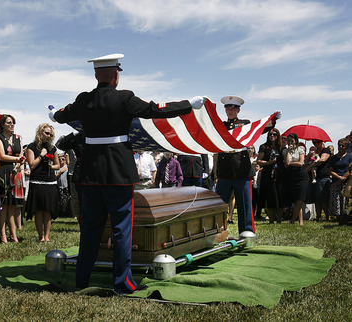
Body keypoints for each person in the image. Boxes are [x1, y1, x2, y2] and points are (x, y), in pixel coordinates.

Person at [51, 53, 205, 294]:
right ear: (115, 75)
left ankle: (81, 279)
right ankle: (122, 282)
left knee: (90, 228)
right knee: (122, 229)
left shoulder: (83, 100)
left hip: (90, 174)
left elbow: (62, 114)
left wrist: (53, 114)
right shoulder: (125, 99)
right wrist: (188, 104)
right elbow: (156, 110)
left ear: (95, 75)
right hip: (118, 173)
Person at [214, 95, 273, 233]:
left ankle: (246, 232)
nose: (230, 111)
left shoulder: (245, 124)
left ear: (238, 110)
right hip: (225, 170)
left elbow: (260, 128)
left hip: (242, 169)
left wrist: (273, 120)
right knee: (220, 205)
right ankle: (217, 232)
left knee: (245, 204)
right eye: (227, 108)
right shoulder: (220, 126)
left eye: (233, 108)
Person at [25, 123, 60, 242]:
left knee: (48, 210)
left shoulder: (53, 148)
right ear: (40, 133)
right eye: (46, 133)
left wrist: (52, 165)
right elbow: (32, 165)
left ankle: (47, 236)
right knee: (38, 210)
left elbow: (58, 165)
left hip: (50, 182)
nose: (49, 136)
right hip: (37, 181)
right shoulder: (31, 147)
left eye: (51, 134)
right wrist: (41, 155)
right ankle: (40, 237)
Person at [0, 114, 25, 243]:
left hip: (16, 172)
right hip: (3, 172)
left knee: (13, 205)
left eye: (13, 122)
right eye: (8, 123)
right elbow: (1, 156)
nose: (11, 125)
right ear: (2, 125)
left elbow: (22, 154)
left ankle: (13, 234)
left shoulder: (18, 138)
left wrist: (18, 164)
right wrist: (18, 159)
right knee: (4, 205)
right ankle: (3, 235)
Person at [256, 129, 286, 223]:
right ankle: (271, 219)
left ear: (278, 136)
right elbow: (258, 160)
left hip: (280, 174)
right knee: (270, 197)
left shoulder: (282, 147)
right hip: (268, 174)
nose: (272, 136)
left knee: (280, 197)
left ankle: (279, 219)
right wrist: (268, 162)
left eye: (274, 134)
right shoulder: (264, 147)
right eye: (270, 134)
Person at [285, 133, 308, 226]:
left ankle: (293, 219)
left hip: (301, 175)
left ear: (296, 141)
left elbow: (301, 163)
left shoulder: (300, 149)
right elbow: (287, 163)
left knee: (300, 200)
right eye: (289, 141)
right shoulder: (285, 151)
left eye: (292, 141)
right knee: (296, 200)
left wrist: (291, 163)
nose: (290, 142)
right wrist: (288, 151)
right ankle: (300, 221)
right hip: (291, 175)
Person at [306, 139, 332, 221]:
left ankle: (328, 217)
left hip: (323, 176)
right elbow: (306, 162)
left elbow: (323, 159)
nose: (316, 144)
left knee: (323, 198)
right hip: (314, 178)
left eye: (318, 142)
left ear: (321, 142)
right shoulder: (313, 152)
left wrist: (311, 166)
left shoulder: (326, 150)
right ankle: (318, 217)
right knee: (317, 199)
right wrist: (309, 156)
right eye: (314, 142)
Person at [328, 138, 352, 219]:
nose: (341, 147)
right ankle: (337, 217)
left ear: (346, 147)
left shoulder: (349, 157)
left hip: (346, 182)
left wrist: (343, 179)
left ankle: (345, 216)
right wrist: (339, 178)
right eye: (339, 145)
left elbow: (350, 169)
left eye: (343, 145)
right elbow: (330, 170)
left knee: (345, 200)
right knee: (336, 200)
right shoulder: (333, 158)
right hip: (336, 181)